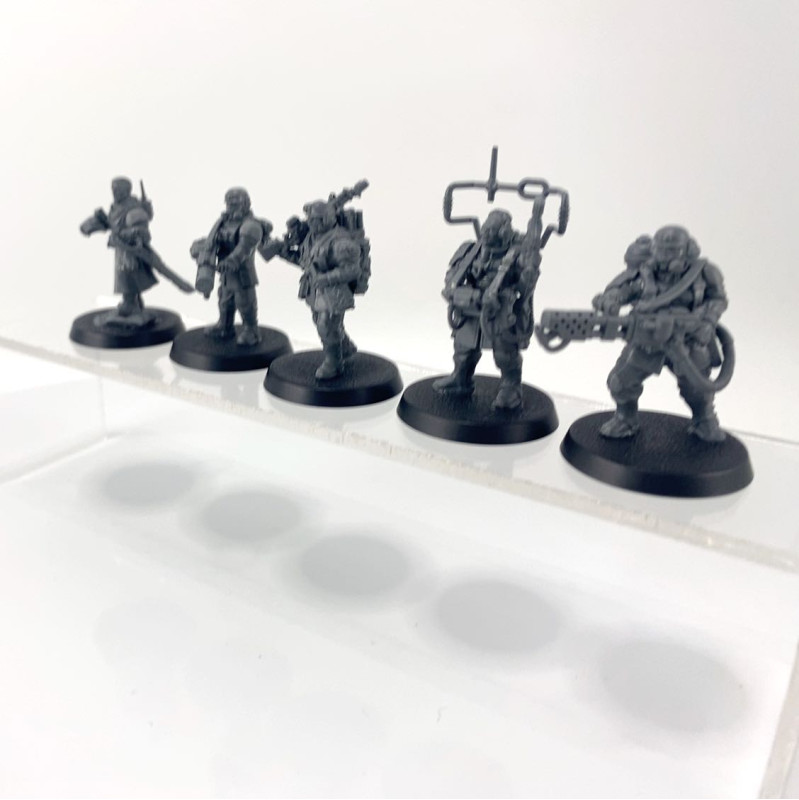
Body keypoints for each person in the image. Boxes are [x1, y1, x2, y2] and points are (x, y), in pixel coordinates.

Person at [592, 225, 728, 441]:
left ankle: (704, 421)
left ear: (687, 250)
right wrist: (611, 299)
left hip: (688, 342)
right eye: (661, 250)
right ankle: (625, 419)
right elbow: (625, 289)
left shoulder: (704, 273)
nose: (665, 257)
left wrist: (707, 321)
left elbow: (718, 299)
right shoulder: (645, 272)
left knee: (698, 389)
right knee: (620, 382)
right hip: (649, 342)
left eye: (672, 251)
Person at [433, 209, 539, 409]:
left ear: (504, 232)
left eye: (492, 231)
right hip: (471, 305)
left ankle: (511, 388)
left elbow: (524, 288)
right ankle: (461, 378)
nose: (487, 235)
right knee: (463, 345)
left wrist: (529, 270)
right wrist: (458, 291)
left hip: (500, 310)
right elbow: (452, 276)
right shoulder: (470, 249)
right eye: (485, 231)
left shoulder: (518, 254)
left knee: (504, 353)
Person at [266, 182, 370, 379]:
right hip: (314, 289)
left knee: (326, 325)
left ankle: (334, 363)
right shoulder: (311, 238)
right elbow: (304, 261)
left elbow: (351, 270)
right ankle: (345, 347)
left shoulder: (341, 243)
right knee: (320, 321)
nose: (314, 224)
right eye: (312, 220)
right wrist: (282, 252)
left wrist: (325, 278)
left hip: (334, 292)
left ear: (330, 219)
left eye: (319, 220)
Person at [191, 187, 269, 347]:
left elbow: (244, 249)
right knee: (225, 300)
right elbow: (214, 240)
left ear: (245, 204)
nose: (232, 207)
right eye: (229, 203)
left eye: (235, 204)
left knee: (245, 302)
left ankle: (251, 330)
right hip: (225, 272)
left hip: (242, 272)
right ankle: (225, 326)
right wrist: (201, 247)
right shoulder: (223, 222)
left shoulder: (251, 226)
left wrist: (231, 262)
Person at [79, 177, 157, 326]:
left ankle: (130, 305)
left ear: (127, 191)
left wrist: (125, 235)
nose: (114, 193)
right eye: (113, 190)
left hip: (130, 252)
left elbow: (141, 231)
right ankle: (134, 304)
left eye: (118, 190)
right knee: (125, 276)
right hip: (121, 250)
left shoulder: (133, 208)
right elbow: (112, 222)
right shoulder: (116, 207)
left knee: (127, 277)